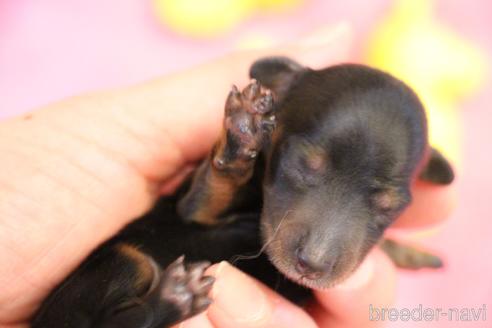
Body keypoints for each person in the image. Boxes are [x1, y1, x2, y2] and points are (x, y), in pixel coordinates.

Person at [0, 23, 455, 328]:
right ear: (279, 92)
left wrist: (382, 244)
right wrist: (231, 159)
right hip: (105, 305)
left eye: (381, 207)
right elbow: (198, 214)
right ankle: (156, 308)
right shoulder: (249, 171)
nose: (319, 253)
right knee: (125, 268)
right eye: (304, 166)